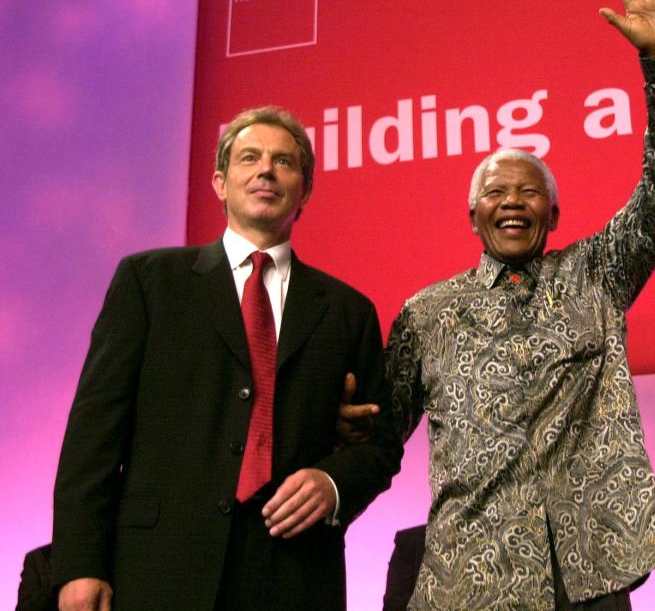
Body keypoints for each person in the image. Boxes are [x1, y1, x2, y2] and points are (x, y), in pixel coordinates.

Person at [381, 0, 655, 610]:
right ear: (473, 217)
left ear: (553, 215)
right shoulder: (426, 314)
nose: (513, 202)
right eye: (496, 192)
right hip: (467, 580)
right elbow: (380, 431)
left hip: (585, 575)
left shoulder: (598, 275)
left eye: (530, 192)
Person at [52, 106, 402, 611]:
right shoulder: (149, 283)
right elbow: (94, 434)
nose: (266, 169)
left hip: (295, 574)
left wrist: (333, 481)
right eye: (250, 158)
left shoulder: (348, 311)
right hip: (157, 567)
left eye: (284, 161)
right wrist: (80, 565)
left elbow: (382, 442)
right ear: (220, 182)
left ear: (304, 190)